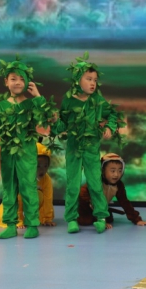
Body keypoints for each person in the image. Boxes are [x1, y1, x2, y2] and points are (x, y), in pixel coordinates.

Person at [0, 57, 56, 239]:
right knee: (9, 188)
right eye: (13, 79)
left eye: (21, 79)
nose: (17, 82)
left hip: (27, 152)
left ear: (27, 82)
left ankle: (32, 224)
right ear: (6, 82)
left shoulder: (32, 104)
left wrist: (38, 96)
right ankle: (10, 224)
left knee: (28, 187)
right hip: (8, 152)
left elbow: (48, 117)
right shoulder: (1, 106)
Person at [52, 52, 126, 234]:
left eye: (95, 80)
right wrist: (54, 121)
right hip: (73, 148)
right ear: (77, 80)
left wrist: (109, 127)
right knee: (72, 184)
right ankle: (71, 219)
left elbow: (112, 114)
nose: (93, 83)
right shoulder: (69, 101)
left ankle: (101, 216)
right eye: (89, 79)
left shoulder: (98, 101)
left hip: (92, 148)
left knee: (94, 183)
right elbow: (61, 127)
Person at [0, 142, 56, 229]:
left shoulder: (46, 179)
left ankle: (38, 217)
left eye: (45, 166)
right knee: (14, 201)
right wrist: (18, 220)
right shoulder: (21, 177)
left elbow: (48, 199)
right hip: (18, 202)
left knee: (40, 195)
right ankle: (11, 218)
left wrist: (46, 219)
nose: (42, 170)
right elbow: (15, 200)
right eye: (38, 166)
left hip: (30, 202)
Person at [77, 153, 146, 229]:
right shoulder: (95, 183)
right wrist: (101, 219)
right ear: (102, 170)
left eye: (120, 171)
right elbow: (83, 197)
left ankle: (103, 213)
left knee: (109, 219)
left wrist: (137, 220)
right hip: (86, 207)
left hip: (101, 208)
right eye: (112, 171)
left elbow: (124, 202)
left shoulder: (118, 185)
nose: (116, 174)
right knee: (85, 221)